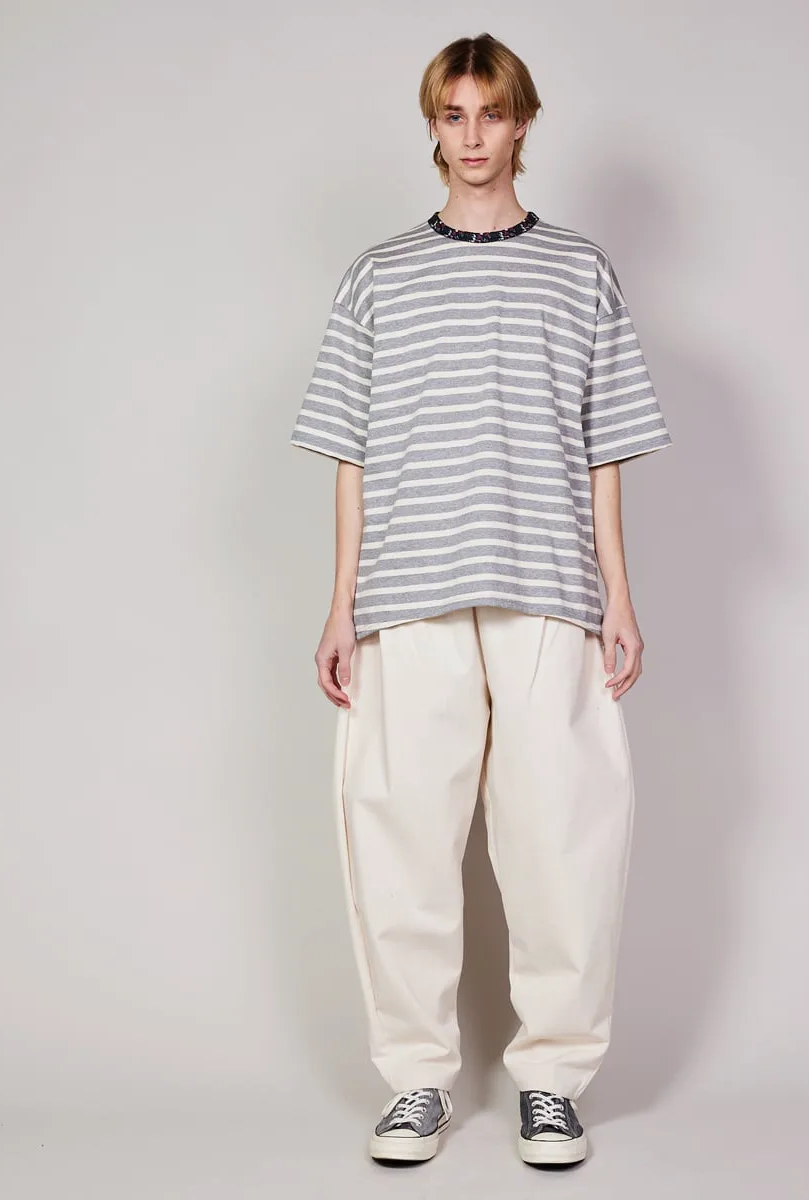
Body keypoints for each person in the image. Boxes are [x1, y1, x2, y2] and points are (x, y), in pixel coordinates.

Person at [289, 32, 671, 1168]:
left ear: (522, 123)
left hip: (547, 581)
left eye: (490, 114)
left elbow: (603, 449)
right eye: (452, 115)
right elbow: (351, 453)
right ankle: (416, 1079)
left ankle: (552, 1080)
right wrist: (340, 603)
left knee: (566, 840)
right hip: (408, 587)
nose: (471, 136)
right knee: (398, 836)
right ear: (432, 126)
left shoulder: (580, 271)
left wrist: (619, 595)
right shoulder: (378, 275)